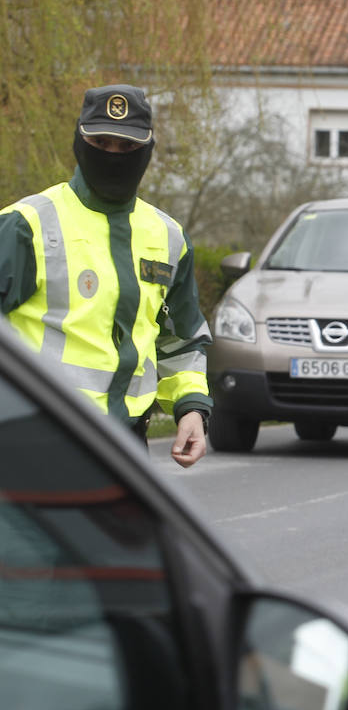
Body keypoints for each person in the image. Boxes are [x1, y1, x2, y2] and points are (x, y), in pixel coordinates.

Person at [0, 84, 212, 467]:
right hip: (35, 440)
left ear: (147, 149)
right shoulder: (25, 226)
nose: (114, 154)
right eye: (102, 142)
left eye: (127, 147)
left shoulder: (168, 236)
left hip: (127, 447)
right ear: (80, 142)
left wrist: (191, 409)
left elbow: (180, 340)